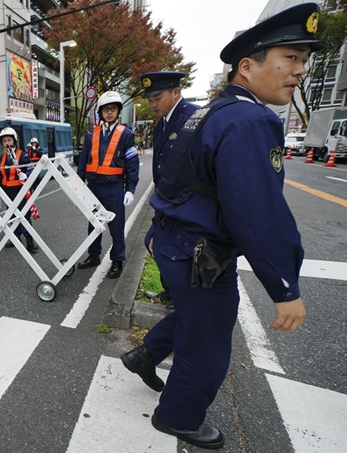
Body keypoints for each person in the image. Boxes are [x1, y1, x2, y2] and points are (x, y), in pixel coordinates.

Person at [121, 4, 322, 449]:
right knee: (207, 340)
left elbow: (171, 184)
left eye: (303, 61)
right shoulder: (251, 120)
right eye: (290, 58)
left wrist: (156, 232)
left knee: (194, 316)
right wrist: (284, 285)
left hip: (176, 245)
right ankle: (179, 417)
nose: (299, 71)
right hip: (203, 256)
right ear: (247, 66)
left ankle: (145, 353)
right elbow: (258, 212)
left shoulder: (205, 115)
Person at [140, 71, 200, 306]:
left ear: (176, 92)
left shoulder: (194, 118)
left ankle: (179, 300)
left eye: (158, 98)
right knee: (156, 244)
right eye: (150, 100)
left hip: (186, 202)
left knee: (178, 253)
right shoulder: (161, 125)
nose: (153, 104)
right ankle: (170, 293)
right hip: (165, 200)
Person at [76, 91, 139, 279]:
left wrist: (131, 189)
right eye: (106, 109)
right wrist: (78, 185)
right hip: (94, 186)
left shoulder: (126, 134)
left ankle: (117, 259)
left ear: (118, 111)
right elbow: (83, 161)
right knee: (93, 224)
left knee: (116, 226)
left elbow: (132, 163)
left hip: (114, 187)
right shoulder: (90, 135)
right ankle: (94, 255)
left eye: (113, 109)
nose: (109, 112)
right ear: (101, 112)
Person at [0, 127, 38, 253]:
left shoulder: (23, 155)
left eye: (9, 140)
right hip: (8, 192)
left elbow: (33, 171)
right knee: (11, 216)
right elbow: (0, 175)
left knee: (24, 215)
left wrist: (27, 176)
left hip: (21, 190)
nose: (7, 143)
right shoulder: (1, 158)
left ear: (14, 141)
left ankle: (29, 241)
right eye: (4, 141)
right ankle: (15, 237)